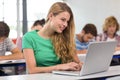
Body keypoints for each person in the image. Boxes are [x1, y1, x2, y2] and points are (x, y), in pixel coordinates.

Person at [22, 2, 82, 74]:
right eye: (63, 20)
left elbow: (77, 62)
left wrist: (80, 65)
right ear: (51, 16)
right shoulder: (29, 38)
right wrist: (59, 67)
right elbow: (32, 70)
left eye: (67, 21)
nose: (65, 24)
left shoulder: (65, 38)